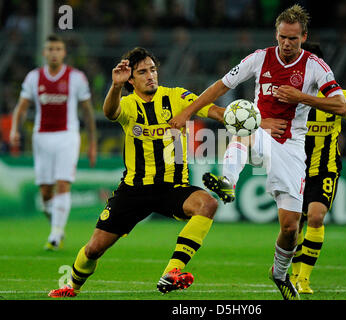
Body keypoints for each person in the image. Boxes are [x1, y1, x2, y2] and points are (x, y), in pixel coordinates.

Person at [169, 5, 346, 300]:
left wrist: (301, 97)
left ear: (304, 36)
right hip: (260, 130)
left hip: (291, 145)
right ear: (275, 34)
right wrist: (188, 111)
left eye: (293, 38)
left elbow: (340, 105)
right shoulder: (259, 58)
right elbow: (219, 86)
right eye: (282, 37)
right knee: (244, 121)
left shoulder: (316, 66)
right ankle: (227, 182)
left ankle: (279, 273)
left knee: (290, 227)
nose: (286, 44)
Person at [48, 47, 224, 298]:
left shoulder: (175, 96)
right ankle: (71, 288)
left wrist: (243, 119)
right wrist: (116, 86)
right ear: (131, 79)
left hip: (172, 187)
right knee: (94, 249)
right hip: (134, 189)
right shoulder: (128, 103)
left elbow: (213, 110)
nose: (150, 75)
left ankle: (172, 272)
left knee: (207, 204)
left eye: (153, 69)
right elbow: (110, 113)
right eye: (142, 72)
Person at [288, 42, 346, 294]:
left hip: (325, 168)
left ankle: (303, 279)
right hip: (294, 168)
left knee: (315, 216)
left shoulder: (339, 98)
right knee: (293, 224)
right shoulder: (290, 97)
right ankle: (290, 274)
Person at [9, 34, 97, 251]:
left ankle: (56, 234)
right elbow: (22, 106)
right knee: (46, 192)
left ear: (64, 52)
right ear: (44, 53)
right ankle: (56, 227)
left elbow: (87, 111)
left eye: (58, 48)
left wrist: (93, 142)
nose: (54, 52)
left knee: (63, 183)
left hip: (67, 135)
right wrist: (14, 129)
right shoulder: (33, 77)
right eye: (51, 49)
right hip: (41, 137)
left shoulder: (76, 77)